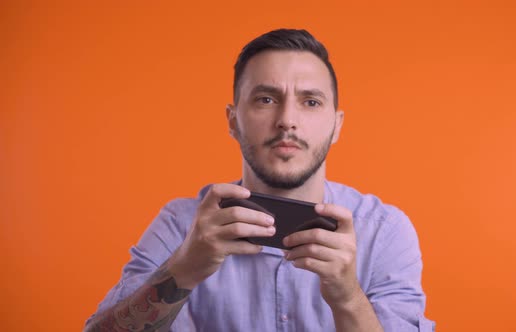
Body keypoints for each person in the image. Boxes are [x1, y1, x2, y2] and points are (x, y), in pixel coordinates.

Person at [85, 28, 435, 331]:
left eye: (310, 102)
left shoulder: (384, 231)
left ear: (337, 125)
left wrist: (347, 298)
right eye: (266, 99)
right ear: (233, 120)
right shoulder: (182, 227)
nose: (287, 120)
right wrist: (184, 270)